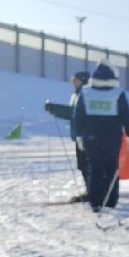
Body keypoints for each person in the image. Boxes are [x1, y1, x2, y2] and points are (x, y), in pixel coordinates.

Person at [74, 61, 129, 212]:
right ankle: (111, 200)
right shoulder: (118, 93)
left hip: (91, 137)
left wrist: (79, 135)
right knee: (111, 167)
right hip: (112, 136)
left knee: (95, 168)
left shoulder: (85, 92)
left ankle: (95, 200)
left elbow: (78, 116)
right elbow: (125, 115)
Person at [44, 70, 91, 202]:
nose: (73, 82)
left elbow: (73, 113)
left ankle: (93, 192)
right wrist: (54, 110)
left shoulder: (85, 94)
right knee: (82, 165)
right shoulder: (76, 95)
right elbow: (72, 114)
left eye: (75, 80)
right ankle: (91, 191)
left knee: (87, 164)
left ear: (82, 81)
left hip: (85, 135)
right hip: (79, 135)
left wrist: (55, 108)